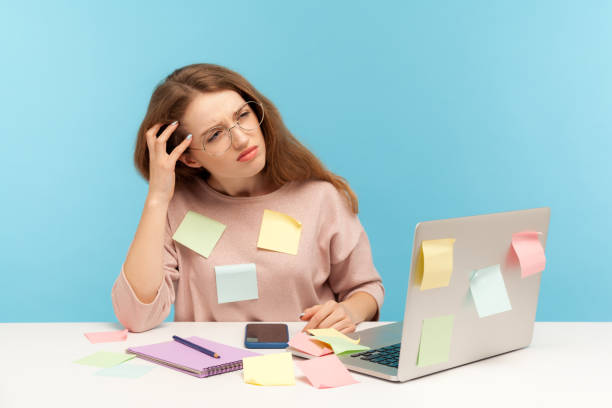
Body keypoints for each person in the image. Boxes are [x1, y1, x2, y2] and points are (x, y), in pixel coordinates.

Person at [111, 63, 384, 333]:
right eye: (215, 134)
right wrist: (157, 198)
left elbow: (366, 288)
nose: (242, 139)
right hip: (212, 367)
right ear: (189, 157)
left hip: (304, 364)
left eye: (242, 116)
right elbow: (137, 317)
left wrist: (349, 311)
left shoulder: (320, 198)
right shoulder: (177, 207)